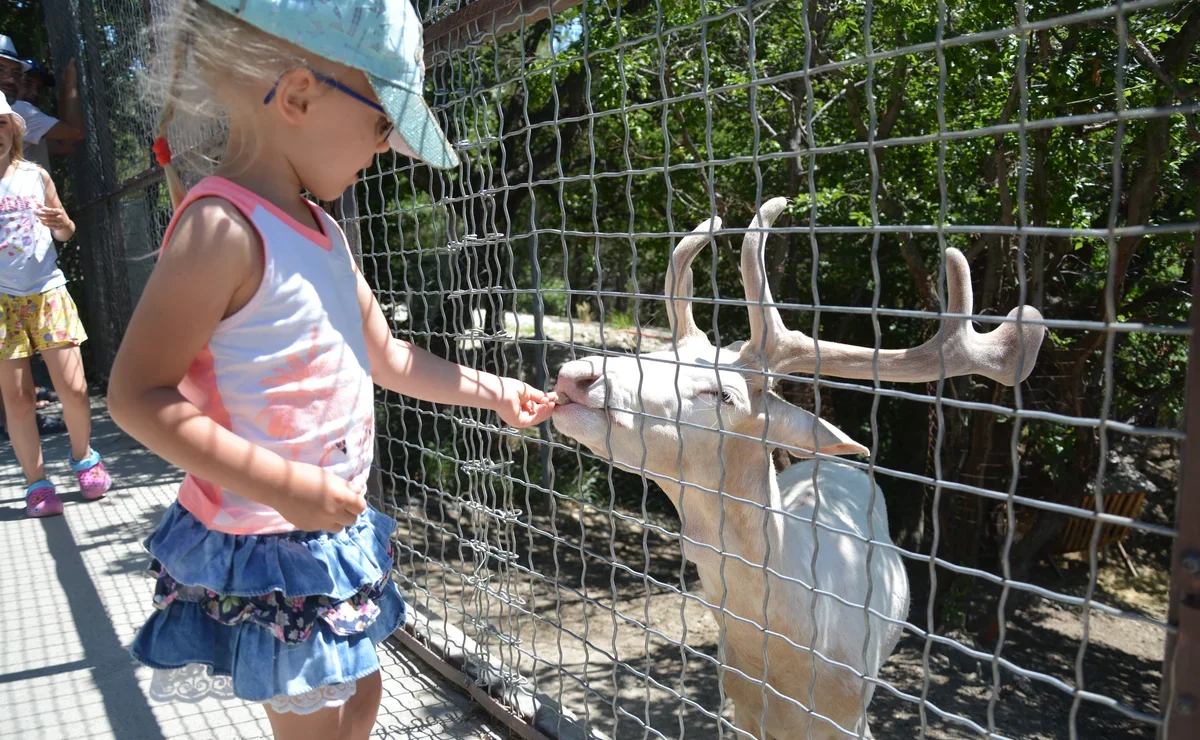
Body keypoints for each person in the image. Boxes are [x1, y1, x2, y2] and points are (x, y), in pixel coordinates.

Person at [105, 1, 554, 737]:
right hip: (271, 542)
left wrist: (493, 391)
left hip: (326, 528)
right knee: (320, 722)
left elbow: (390, 357)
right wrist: (283, 486)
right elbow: (137, 395)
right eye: (384, 123)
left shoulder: (326, 235)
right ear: (299, 96)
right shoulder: (221, 229)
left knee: (363, 696)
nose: (385, 148)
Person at [0, 96, 112, 517]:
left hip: (47, 292)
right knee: (19, 399)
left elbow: (66, 231)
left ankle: (85, 460)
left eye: (0, 124)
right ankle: (37, 485)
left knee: (75, 389)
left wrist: (61, 224)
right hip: (2, 303)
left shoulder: (35, 175)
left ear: (13, 128)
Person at [0, 36, 84, 171]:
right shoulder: (19, 111)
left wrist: (64, 88)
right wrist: (70, 83)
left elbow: (64, 145)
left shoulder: (24, 119)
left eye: (40, 88)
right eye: (27, 84)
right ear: (21, 82)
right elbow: (75, 132)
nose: (34, 93)